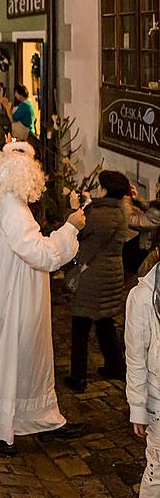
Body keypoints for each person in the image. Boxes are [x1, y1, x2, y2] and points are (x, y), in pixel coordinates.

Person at [0, 151, 86, 455]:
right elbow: (39, 254)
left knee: (5, 363)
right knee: (6, 363)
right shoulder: (13, 209)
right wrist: (70, 229)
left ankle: (27, 420)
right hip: (9, 301)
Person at [65, 170, 130, 393]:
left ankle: (78, 376)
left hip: (92, 276)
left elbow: (77, 231)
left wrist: (75, 208)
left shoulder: (99, 214)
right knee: (104, 322)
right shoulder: (120, 211)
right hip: (112, 273)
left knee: (81, 326)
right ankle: (116, 366)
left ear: (105, 189)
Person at [124, 262, 160, 497]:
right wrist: (138, 408)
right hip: (158, 402)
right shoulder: (142, 296)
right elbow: (135, 357)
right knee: (156, 472)